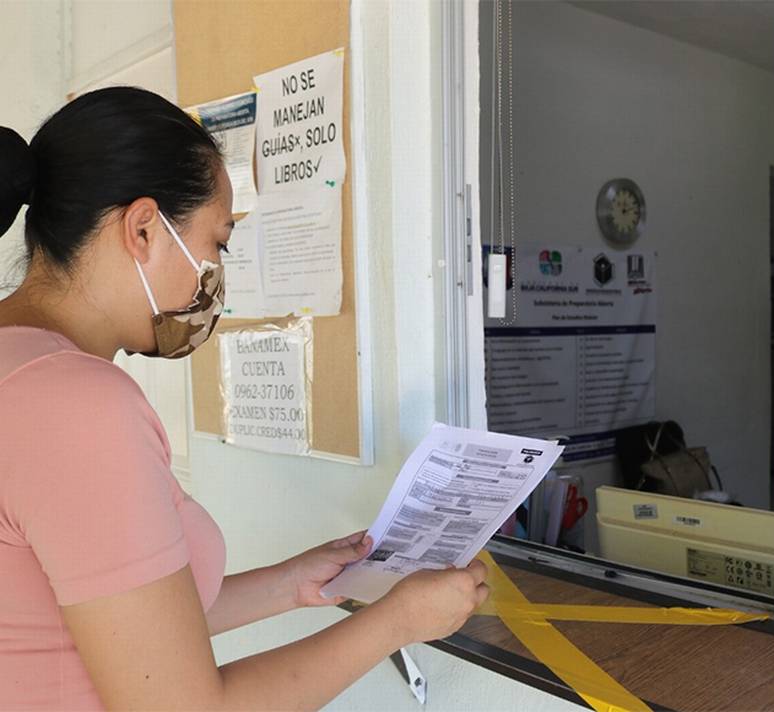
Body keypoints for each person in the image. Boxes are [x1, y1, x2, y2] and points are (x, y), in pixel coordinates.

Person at [0, 87, 489, 710]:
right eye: (218, 242)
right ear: (144, 228)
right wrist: (397, 622)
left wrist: (289, 585)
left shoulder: (20, 371)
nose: (214, 277)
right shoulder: (76, 407)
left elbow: (96, 621)